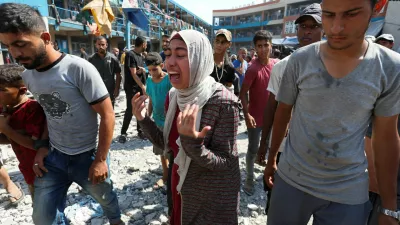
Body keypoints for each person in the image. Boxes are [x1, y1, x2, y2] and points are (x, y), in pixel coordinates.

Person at [265, 0, 400, 224]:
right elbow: (283, 113)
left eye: (351, 14)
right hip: (292, 179)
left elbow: (385, 137)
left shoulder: (389, 67)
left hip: (347, 191)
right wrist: (271, 160)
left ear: (377, 7)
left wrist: (389, 207)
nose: (336, 28)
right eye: (329, 15)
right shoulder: (300, 60)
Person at [0, 3, 124, 225]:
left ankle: (115, 219)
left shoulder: (78, 69)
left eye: (21, 44)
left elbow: (107, 115)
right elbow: (48, 112)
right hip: (55, 158)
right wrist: (42, 148)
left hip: (88, 155)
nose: (15, 53)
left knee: (104, 196)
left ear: (45, 37)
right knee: (42, 217)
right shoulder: (28, 76)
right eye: (8, 46)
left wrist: (100, 160)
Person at [132, 30, 240, 225]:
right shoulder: (174, 96)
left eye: (180, 55)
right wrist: (144, 119)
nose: (169, 62)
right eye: (168, 54)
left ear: (199, 58)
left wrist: (193, 144)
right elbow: (167, 145)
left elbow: (226, 164)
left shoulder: (224, 103)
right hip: (180, 183)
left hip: (208, 199)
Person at [257, 3, 324, 214]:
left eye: (314, 26)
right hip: (284, 150)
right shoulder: (283, 66)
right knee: (278, 204)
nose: (307, 31)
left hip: (319, 153)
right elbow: (271, 107)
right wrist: (264, 145)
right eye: (303, 26)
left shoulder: (335, 66)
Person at [239, 30, 279, 196]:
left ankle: (267, 172)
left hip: (273, 117)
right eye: (259, 46)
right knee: (252, 149)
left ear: (271, 46)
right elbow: (243, 94)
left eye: (266, 45)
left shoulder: (277, 64)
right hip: (255, 118)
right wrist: (247, 115)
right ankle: (249, 177)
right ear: (254, 48)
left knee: (271, 148)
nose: (263, 49)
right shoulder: (253, 69)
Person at [0, 64, 47, 201]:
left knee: (47, 210)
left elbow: (35, 144)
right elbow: (10, 139)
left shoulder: (32, 109)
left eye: (2, 89)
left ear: (22, 90)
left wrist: (5, 128)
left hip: (42, 169)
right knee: (38, 205)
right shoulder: (5, 109)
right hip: (27, 169)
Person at [144, 52, 172, 191]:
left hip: (170, 123)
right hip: (157, 122)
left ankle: (172, 176)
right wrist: (147, 118)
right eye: (149, 70)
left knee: (171, 151)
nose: (152, 72)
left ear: (162, 65)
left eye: (154, 69)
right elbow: (151, 100)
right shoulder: (149, 81)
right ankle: (165, 175)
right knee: (161, 151)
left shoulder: (169, 80)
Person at [119, 36, 148, 143]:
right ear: (143, 44)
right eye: (146, 44)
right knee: (130, 109)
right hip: (132, 87)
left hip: (139, 86)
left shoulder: (140, 55)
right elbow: (133, 73)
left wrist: (142, 71)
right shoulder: (130, 55)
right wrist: (143, 86)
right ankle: (123, 132)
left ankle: (140, 131)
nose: (146, 46)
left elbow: (137, 71)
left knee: (140, 108)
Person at [89, 36, 122, 107]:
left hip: (110, 90)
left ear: (106, 45)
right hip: (96, 90)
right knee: (97, 111)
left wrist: (116, 89)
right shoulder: (91, 59)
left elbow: (118, 75)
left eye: (103, 44)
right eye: (99, 44)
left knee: (110, 110)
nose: (101, 46)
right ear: (96, 45)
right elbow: (88, 76)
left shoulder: (113, 58)